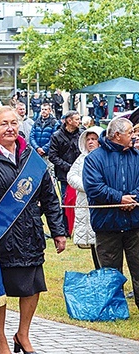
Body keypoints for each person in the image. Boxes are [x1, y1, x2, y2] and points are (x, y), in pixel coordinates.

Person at [0, 106, 66, 354]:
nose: (10, 128)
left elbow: (50, 198)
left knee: (32, 287)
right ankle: (1, 340)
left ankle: (23, 334)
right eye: (3, 124)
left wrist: (58, 231)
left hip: (30, 232)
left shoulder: (32, 157)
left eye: (14, 122)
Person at [83, 117, 139, 308]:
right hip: (107, 224)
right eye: (130, 132)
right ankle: (114, 308)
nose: (134, 136)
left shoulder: (136, 156)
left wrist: (133, 199)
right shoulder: (94, 159)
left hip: (134, 223)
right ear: (117, 135)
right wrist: (119, 198)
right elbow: (94, 188)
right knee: (110, 272)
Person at [67, 125, 104, 269]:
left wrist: (96, 188)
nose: (90, 142)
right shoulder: (81, 159)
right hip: (85, 201)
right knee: (93, 245)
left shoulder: (106, 157)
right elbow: (71, 176)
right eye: (88, 139)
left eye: (94, 139)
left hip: (102, 203)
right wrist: (86, 186)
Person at [48, 110, 83, 201]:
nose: (79, 121)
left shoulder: (82, 134)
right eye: (77, 119)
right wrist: (67, 166)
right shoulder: (56, 136)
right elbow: (52, 156)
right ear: (69, 121)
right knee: (66, 199)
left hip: (80, 173)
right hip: (64, 174)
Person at [29, 104, 59, 169]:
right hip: (37, 153)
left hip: (48, 154)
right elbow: (31, 136)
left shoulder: (54, 123)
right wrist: (37, 148)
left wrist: (44, 149)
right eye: (42, 109)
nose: (43, 111)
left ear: (49, 111)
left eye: (45, 109)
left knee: (48, 172)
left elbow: (54, 138)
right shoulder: (36, 122)